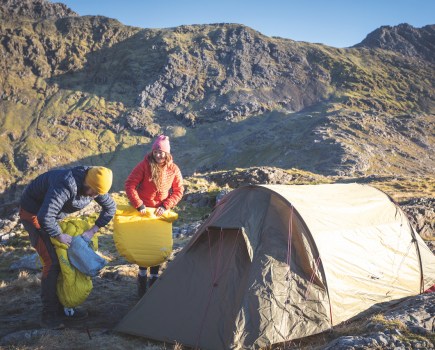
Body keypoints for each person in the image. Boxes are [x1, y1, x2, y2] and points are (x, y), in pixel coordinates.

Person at [19, 166, 116, 329]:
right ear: (87, 182)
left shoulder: (97, 185)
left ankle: (64, 307)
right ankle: (49, 314)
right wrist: (58, 235)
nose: (95, 196)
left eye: (99, 193)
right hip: (34, 214)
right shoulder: (66, 184)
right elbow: (44, 216)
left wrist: (93, 230)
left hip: (51, 216)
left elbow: (110, 208)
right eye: (93, 192)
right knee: (52, 262)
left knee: (65, 259)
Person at [125, 135, 184, 297]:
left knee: (158, 248)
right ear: (153, 151)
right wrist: (139, 204)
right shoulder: (144, 165)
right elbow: (130, 184)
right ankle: (142, 283)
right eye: (156, 151)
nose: (159, 155)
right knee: (145, 247)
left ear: (167, 153)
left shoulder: (174, 169)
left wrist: (166, 205)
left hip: (161, 214)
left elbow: (179, 191)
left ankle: (154, 283)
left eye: (162, 152)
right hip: (144, 213)